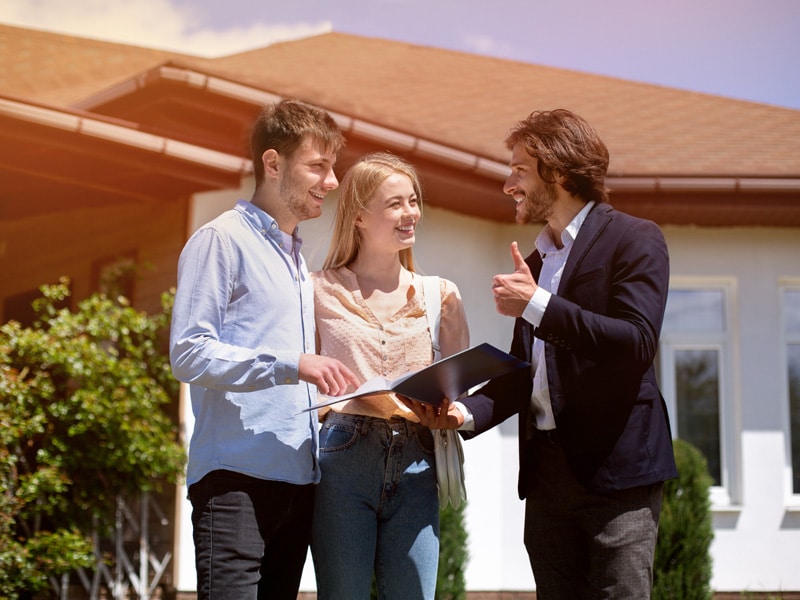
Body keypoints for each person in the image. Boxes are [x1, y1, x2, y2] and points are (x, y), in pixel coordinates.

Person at [407, 109, 678, 599]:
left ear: (556, 171)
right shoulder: (534, 262)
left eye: (519, 170)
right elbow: (525, 375)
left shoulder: (635, 239)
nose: (508, 183)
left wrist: (536, 303)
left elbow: (635, 342)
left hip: (617, 474)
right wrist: (463, 412)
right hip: (547, 478)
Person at [169, 98, 359, 600]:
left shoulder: (298, 261)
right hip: (234, 486)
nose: (332, 181)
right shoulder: (221, 241)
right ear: (272, 164)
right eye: (318, 166)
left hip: (299, 485)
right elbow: (188, 352)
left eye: (332, 167)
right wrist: (291, 364)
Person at [310, 152, 470, 600]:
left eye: (414, 201)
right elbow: (299, 378)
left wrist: (451, 407)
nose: (410, 213)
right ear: (359, 215)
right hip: (343, 455)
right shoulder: (316, 290)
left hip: (418, 459)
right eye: (395, 203)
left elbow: (460, 386)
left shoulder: (442, 295)